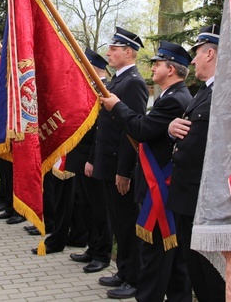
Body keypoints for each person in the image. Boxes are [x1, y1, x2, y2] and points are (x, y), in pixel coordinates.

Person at [101, 41, 193, 302]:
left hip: (161, 189)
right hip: (158, 187)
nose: (153, 68)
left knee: (155, 257)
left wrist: (118, 106)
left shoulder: (176, 100)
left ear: (172, 70)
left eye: (158, 64)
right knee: (172, 262)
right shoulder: (170, 97)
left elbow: (142, 129)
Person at [89, 27, 148, 298]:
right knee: (118, 221)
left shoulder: (133, 82)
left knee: (126, 223)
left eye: (114, 48)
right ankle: (123, 271)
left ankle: (133, 277)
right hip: (108, 163)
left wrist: (124, 171)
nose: (109, 53)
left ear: (128, 52)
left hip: (119, 166)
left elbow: (131, 132)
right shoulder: (116, 82)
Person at [167, 25, 225, 302]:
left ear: (211, 53)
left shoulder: (225, 94)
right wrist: (171, 129)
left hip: (204, 200)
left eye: (197, 54)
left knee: (210, 278)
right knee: (197, 273)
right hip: (189, 197)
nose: (192, 61)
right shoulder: (204, 91)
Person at [67, 49, 113, 271]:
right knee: (86, 204)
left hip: (92, 158)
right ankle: (92, 247)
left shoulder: (104, 89)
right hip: (79, 155)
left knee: (99, 207)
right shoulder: (88, 87)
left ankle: (102, 254)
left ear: (94, 67)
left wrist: (92, 159)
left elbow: (100, 130)